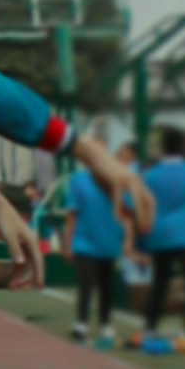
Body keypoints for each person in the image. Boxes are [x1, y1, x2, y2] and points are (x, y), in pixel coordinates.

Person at [132, 131, 185, 347]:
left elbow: (140, 202)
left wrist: (141, 231)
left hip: (159, 237)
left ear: (163, 148)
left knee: (159, 283)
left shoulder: (152, 174)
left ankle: (150, 328)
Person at [64, 134, 134, 340]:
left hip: (109, 241)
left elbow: (127, 212)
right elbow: (72, 215)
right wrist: (68, 243)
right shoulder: (78, 181)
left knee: (106, 285)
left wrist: (129, 239)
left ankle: (105, 324)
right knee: (86, 282)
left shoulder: (117, 179)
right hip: (84, 242)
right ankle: (81, 323)